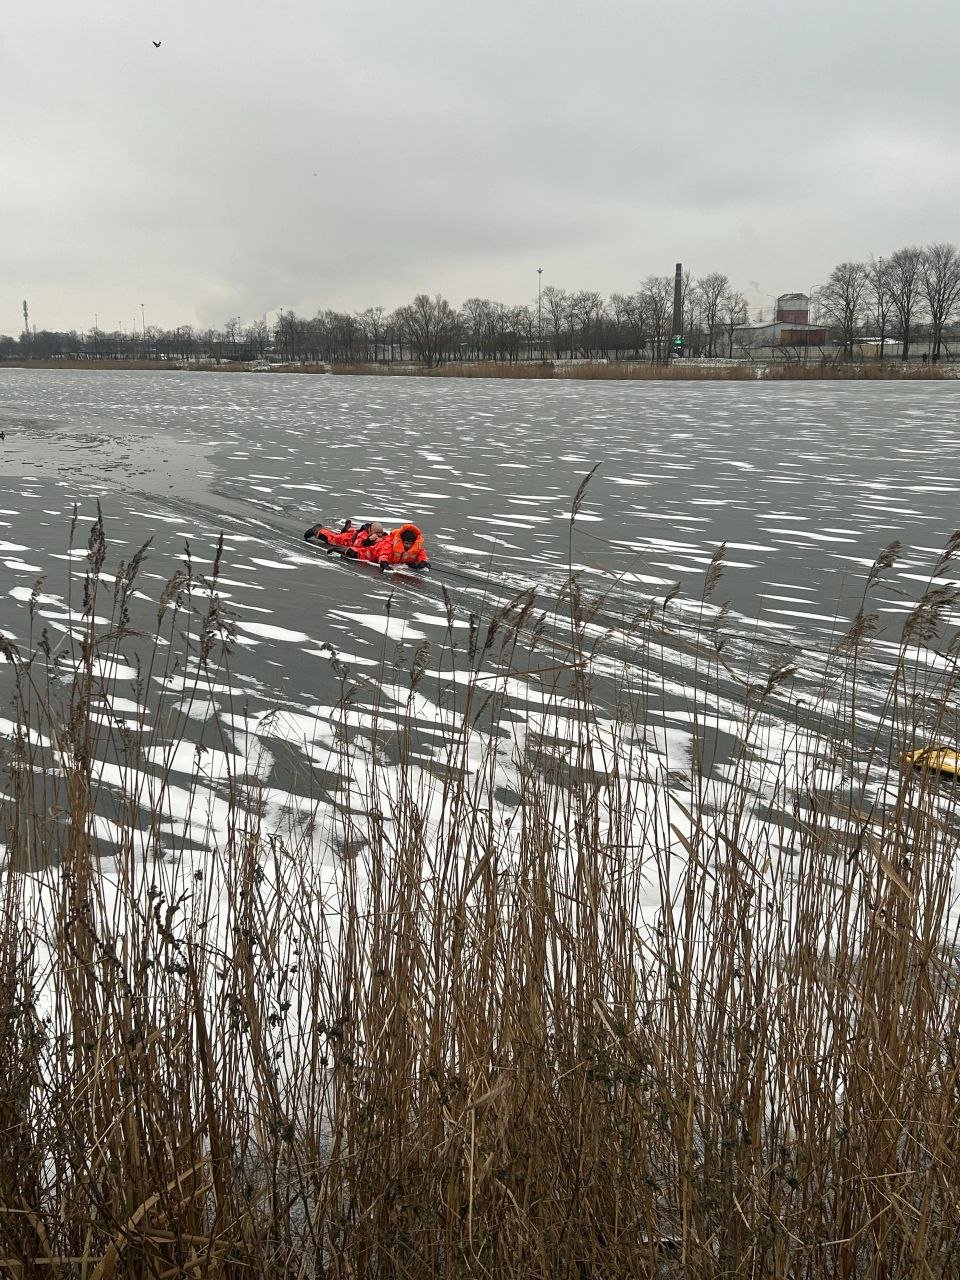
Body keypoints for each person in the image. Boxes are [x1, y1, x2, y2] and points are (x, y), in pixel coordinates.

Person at [347, 522, 430, 569]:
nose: (408, 546)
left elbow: (423, 556)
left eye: (410, 544)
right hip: (371, 551)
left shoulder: (416, 546)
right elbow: (384, 554)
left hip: (378, 546)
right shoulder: (363, 534)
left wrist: (422, 563)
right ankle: (337, 545)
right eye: (406, 543)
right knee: (352, 552)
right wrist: (369, 540)